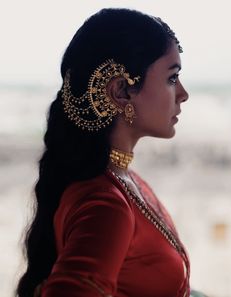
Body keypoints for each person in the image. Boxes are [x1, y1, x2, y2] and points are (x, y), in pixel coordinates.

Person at [16, 7, 200, 297]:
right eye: (171, 78)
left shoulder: (126, 183)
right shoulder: (106, 204)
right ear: (121, 92)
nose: (183, 94)